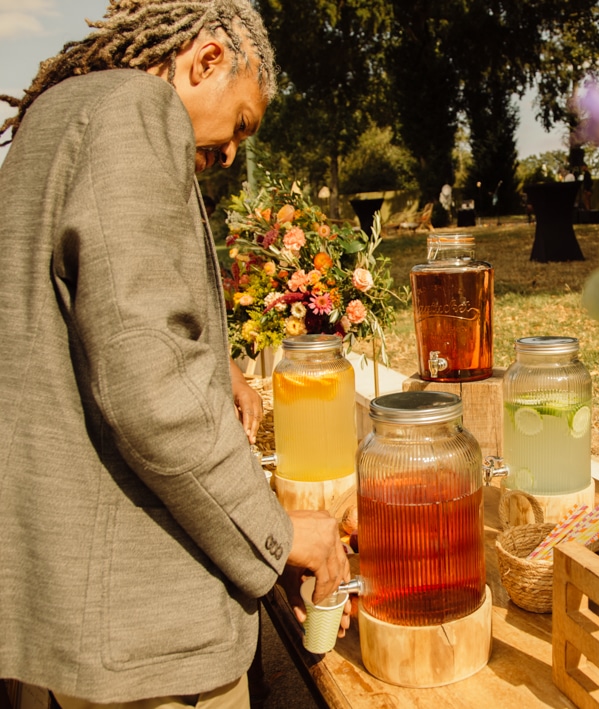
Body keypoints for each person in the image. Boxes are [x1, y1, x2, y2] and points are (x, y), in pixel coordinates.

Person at [0, 2, 351, 708]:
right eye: (241, 124)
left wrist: (210, 358)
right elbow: (150, 391)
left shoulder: (58, 116)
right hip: (140, 637)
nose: (229, 153)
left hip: (53, 607)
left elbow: (78, 313)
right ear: (208, 60)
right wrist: (276, 533)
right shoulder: (137, 108)